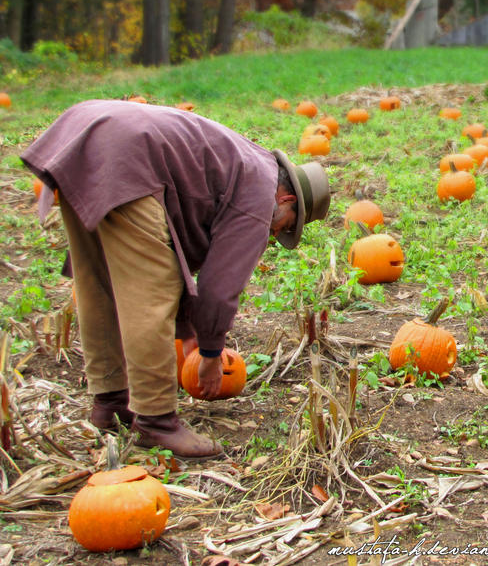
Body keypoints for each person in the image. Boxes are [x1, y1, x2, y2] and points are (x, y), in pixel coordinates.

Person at [21, 99, 330, 458]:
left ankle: (109, 402)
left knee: (99, 283)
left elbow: (174, 246)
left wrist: (186, 333)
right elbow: (218, 287)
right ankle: (157, 422)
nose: (275, 235)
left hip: (86, 132)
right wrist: (211, 354)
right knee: (152, 290)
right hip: (126, 155)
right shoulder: (259, 196)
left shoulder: (244, 163)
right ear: (286, 198)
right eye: (287, 225)